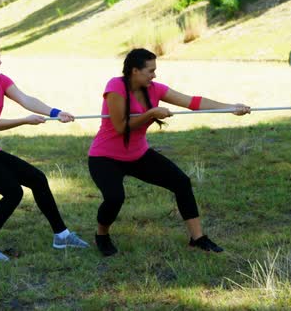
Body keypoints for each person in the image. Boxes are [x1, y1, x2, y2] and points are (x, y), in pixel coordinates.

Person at [88, 48, 251, 256]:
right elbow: (121, 127)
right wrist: (151, 114)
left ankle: (197, 238)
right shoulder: (115, 86)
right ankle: (102, 235)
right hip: (105, 157)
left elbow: (192, 102)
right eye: (150, 70)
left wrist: (229, 107)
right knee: (114, 198)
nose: (154, 75)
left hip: (138, 155)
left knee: (181, 182)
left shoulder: (155, 89)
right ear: (135, 71)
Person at [0, 39, 88, 261]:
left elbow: (26, 99)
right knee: (13, 191)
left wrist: (55, 112)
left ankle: (61, 235)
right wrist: (24, 121)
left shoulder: (1, 81)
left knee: (37, 178)